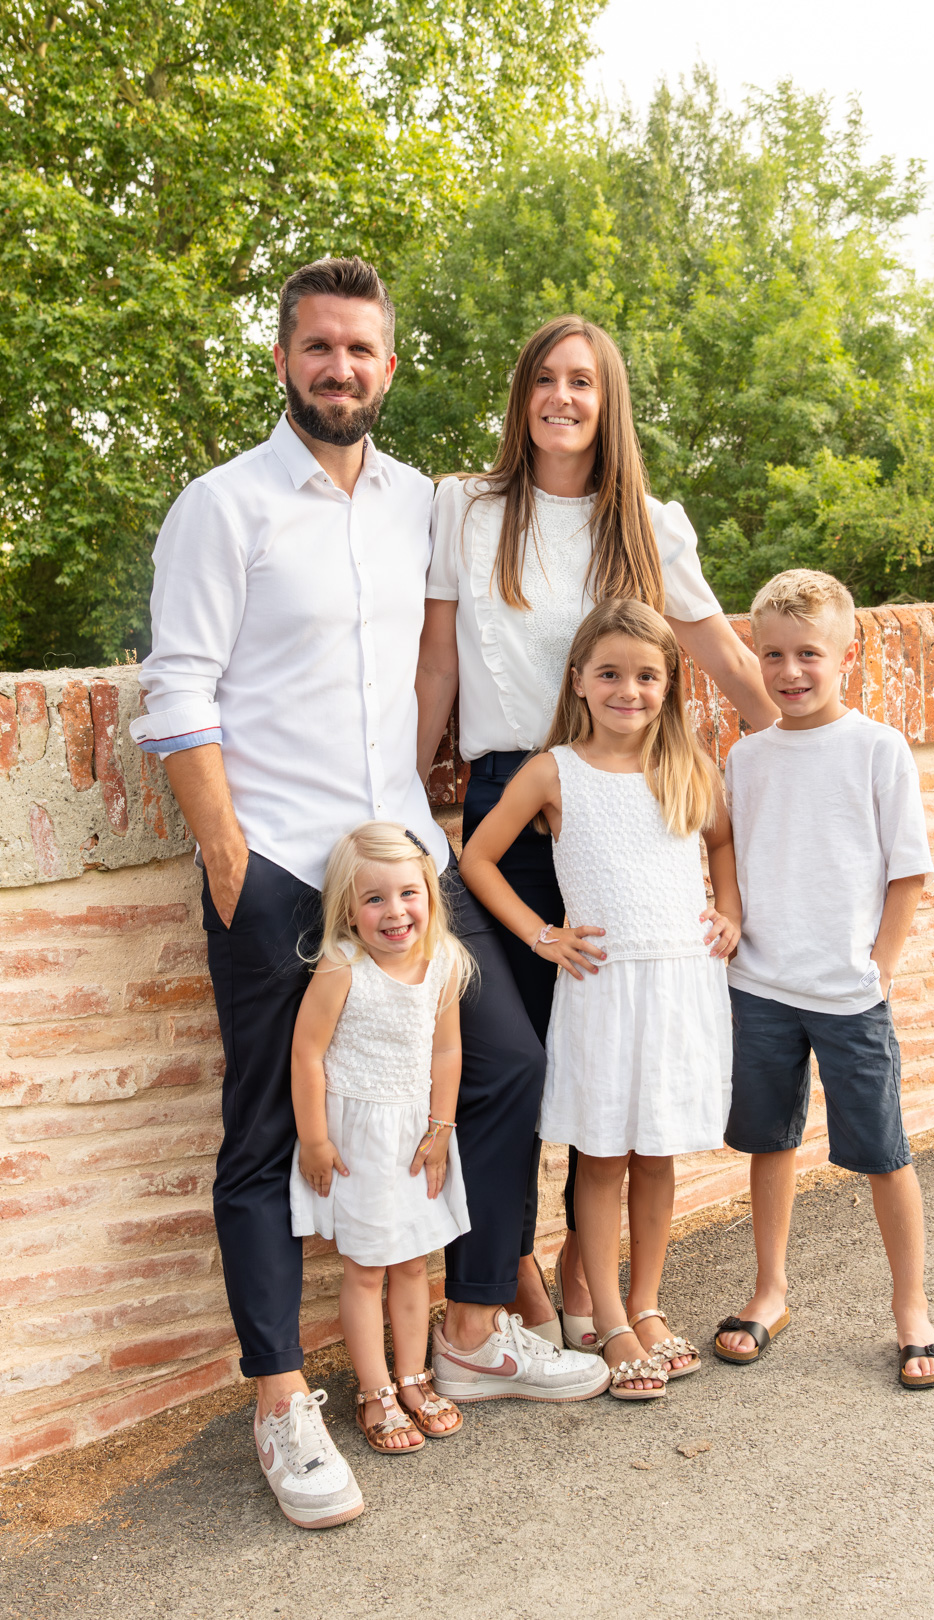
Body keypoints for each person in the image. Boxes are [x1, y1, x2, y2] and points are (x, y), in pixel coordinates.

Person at [131, 257, 609, 1529]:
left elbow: (522, 570)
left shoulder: (422, 506)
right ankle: (284, 1400)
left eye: (363, 351)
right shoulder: (223, 508)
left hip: (412, 863)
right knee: (267, 1137)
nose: (342, 369)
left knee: (504, 1065)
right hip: (283, 866)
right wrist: (232, 867)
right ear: (285, 359)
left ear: (391, 368)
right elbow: (177, 696)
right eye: (319, 348)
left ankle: (467, 1329)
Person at [416, 315, 776, 1358]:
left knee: (610, 1061)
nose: (563, 398)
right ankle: (515, 1286)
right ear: (521, 394)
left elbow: (708, 645)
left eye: (584, 381)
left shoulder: (651, 525)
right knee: (522, 1067)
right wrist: (400, 782)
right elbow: (439, 660)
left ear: (608, 402)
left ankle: (595, 1291)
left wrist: (804, 737)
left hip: (626, 812)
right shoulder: (467, 509)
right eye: (545, 379)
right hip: (513, 801)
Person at [455, 600, 739, 1400]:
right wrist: (543, 935)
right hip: (602, 986)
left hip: (680, 981)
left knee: (658, 1152)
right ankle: (608, 1317)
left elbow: (719, 843)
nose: (629, 690)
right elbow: (477, 860)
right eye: (610, 673)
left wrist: (733, 913)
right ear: (579, 680)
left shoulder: (689, 765)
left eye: (647, 675)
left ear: (668, 683)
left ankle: (647, 1303)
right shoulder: (554, 771)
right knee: (605, 1154)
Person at [713, 569, 934, 1390]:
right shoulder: (745, 759)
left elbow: (907, 871)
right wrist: (734, 924)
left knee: (885, 1152)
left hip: (851, 995)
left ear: (845, 653)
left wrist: (879, 970)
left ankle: (913, 1310)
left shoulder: (878, 748)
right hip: (762, 988)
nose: (789, 671)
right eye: (772, 653)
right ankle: (770, 1291)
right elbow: (732, 860)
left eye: (808, 653)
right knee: (769, 1143)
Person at [290, 823, 472, 1457]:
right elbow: (307, 1055)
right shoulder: (344, 968)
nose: (395, 912)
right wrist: (314, 1141)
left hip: (418, 1136)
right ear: (348, 908)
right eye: (374, 899)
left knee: (415, 1262)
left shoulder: (445, 960)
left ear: (429, 892)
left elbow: (447, 1049)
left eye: (409, 893)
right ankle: (374, 1391)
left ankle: (413, 1380)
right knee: (366, 1268)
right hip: (359, 1140)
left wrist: (442, 1128)